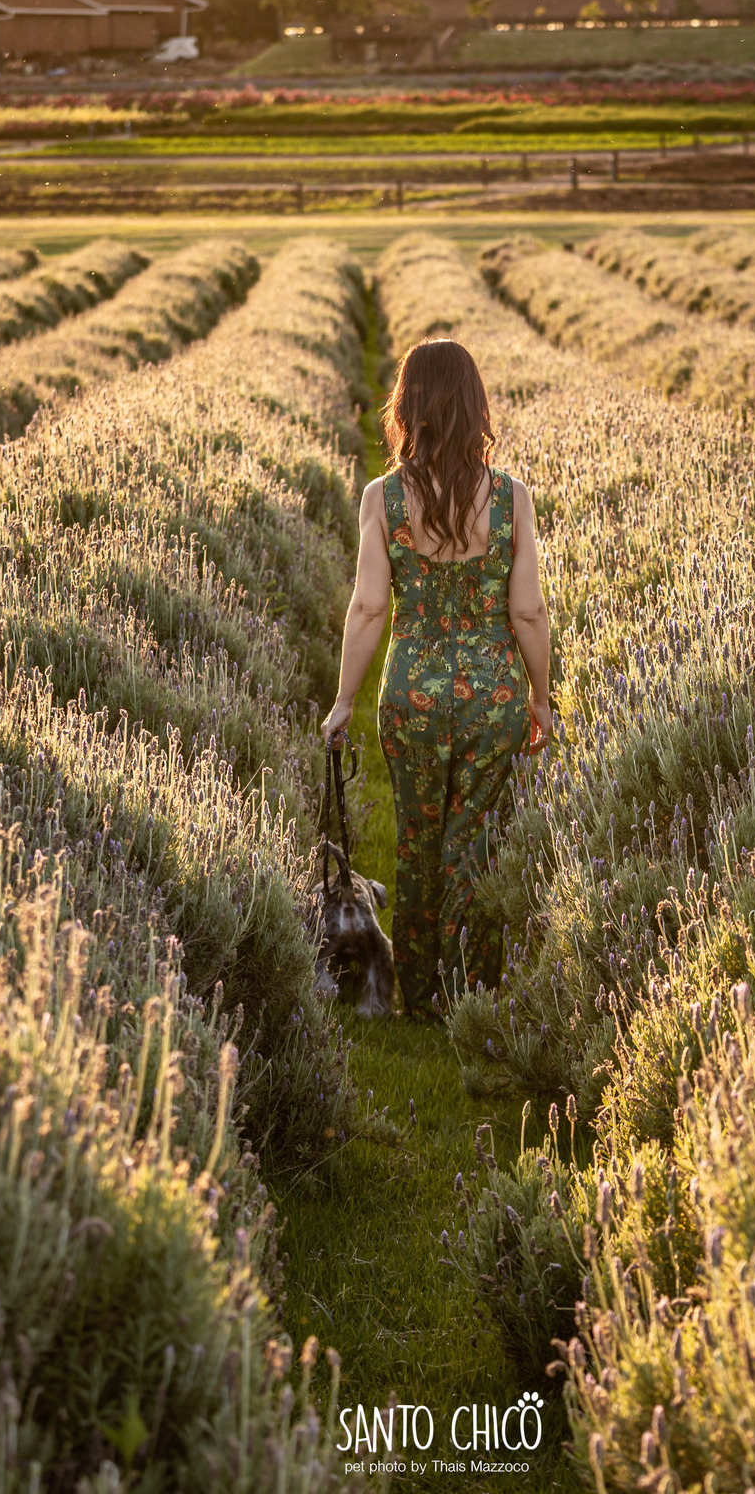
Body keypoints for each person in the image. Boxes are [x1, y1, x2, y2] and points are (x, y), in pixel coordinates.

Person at [321, 338, 553, 1020]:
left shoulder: (383, 498)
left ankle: (417, 997)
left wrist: (342, 703)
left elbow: (367, 608)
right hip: (493, 696)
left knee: (418, 841)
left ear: (407, 409)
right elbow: (528, 611)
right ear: (475, 407)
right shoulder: (512, 498)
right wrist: (540, 698)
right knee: (476, 841)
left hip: (411, 694)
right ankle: (474, 990)